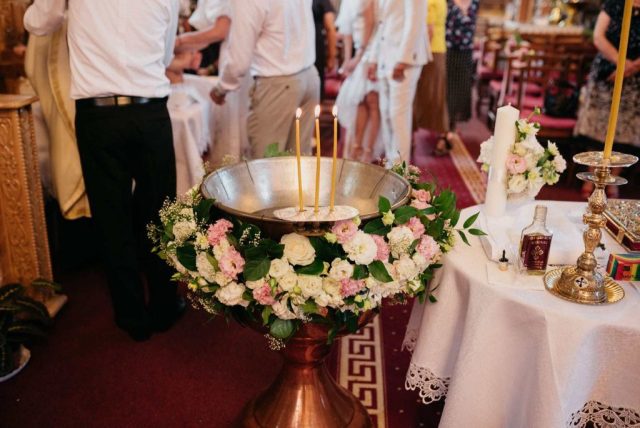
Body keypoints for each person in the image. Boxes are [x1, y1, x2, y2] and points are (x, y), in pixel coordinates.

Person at [24, 0, 184, 342]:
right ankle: (164, 306)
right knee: (160, 213)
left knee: (112, 217)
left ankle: (131, 316)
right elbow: (166, 53)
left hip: (98, 116)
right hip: (150, 112)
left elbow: (41, 21)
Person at [210, 0, 320, 158]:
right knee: (298, 162)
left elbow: (239, 62)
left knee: (267, 164)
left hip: (277, 83)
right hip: (309, 75)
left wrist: (222, 88)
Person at [575, 0, 640, 198]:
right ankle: (593, 177)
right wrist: (622, 63)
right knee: (599, 126)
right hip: (607, 70)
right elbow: (598, 36)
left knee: (625, 129)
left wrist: (632, 67)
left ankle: (613, 179)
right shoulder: (615, 3)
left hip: (636, 79)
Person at [366, 0, 430, 164]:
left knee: (398, 116)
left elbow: (415, 20)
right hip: (385, 56)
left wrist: (403, 59)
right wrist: (373, 58)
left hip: (404, 60)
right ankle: (391, 165)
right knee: (386, 113)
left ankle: (399, 169)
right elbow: (382, 23)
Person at [335, 0, 380, 162]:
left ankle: (368, 150)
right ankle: (356, 146)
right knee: (360, 100)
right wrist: (348, 59)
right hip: (360, 51)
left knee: (372, 100)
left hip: (373, 50)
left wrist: (359, 56)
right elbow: (346, 31)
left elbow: (371, 23)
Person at [413, 0, 450, 156]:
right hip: (438, 50)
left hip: (430, 52)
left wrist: (420, 54)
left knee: (425, 96)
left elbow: (429, 30)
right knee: (435, 95)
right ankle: (443, 136)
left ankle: (442, 137)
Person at [445, 0, 479, 151]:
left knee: (461, 91)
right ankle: (445, 129)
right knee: (449, 91)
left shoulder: (475, 3)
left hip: (466, 53)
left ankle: (452, 126)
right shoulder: (449, 2)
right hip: (450, 52)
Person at [313, 0, 338, 100]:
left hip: (305, 49)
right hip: (315, 48)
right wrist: (332, 57)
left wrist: (332, 57)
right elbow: (330, 28)